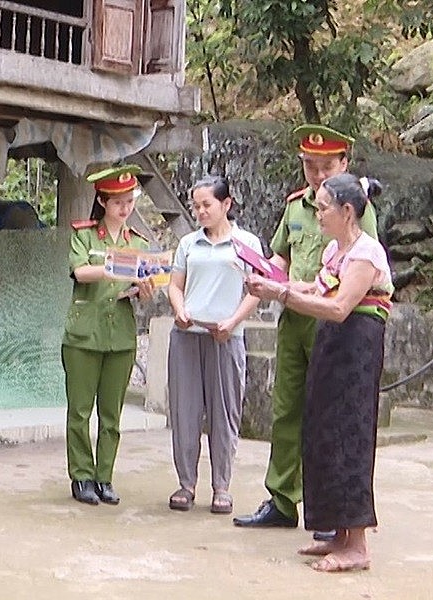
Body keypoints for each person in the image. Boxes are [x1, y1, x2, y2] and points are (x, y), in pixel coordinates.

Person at [234, 125, 379, 534]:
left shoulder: (356, 209)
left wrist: (284, 289)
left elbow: (357, 274)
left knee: (330, 416)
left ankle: (331, 510)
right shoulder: (297, 207)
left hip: (334, 323)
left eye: (326, 166)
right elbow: (281, 257)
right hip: (294, 320)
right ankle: (282, 499)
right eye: (310, 166)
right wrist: (265, 274)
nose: (317, 175)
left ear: (344, 164)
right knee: (286, 411)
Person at [245, 173, 392, 572]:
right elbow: (318, 288)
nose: (318, 213)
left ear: (348, 211)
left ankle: (357, 544)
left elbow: (340, 306)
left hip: (355, 349)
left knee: (350, 437)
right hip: (332, 348)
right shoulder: (335, 250)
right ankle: (338, 534)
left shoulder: (366, 254)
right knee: (324, 434)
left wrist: (283, 295)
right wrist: (273, 286)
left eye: (324, 207)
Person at [166, 175, 261, 514]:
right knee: (185, 413)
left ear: (226, 204)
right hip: (187, 336)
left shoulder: (246, 244)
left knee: (224, 415)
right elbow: (176, 285)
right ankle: (185, 484)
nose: (201, 212)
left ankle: (222, 486)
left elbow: (256, 290)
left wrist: (234, 321)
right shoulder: (188, 244)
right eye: (196, 206)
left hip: (227, 337)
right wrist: (179, 311)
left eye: (207, 205)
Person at [62, 164, 155, 506]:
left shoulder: (139, 242)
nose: (125, 208)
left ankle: (105, 476)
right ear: (102, 202)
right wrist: (114, 267)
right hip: (84, 334)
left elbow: (145, 287)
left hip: (120, 335)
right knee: (80, 410)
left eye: (129, 201)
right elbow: (80, 271)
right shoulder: (85, 235)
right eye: (118, 202)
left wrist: (144, 289)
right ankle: (82, 476)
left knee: (112, 413)